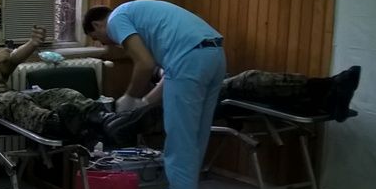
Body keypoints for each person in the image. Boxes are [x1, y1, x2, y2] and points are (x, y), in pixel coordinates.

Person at [83, 0, 225, 189]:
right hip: (213, 56)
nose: (105, 44)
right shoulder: (140, 15)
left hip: (189, 61)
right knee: (194, 144)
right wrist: (144, 102)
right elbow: (170, 74)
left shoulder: (116, 19)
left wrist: (129, 97)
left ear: (97, 24)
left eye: (98, 38)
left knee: (179, 150)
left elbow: (145, 64)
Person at [0, 22, 135, 143]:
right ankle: (60, 124)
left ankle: (107, 120)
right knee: (15, 99)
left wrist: (33, 43)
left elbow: (14, 59)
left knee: (65, 93)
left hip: (12, 100)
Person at [137, 67, 362, 122]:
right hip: (200, 100)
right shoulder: (159, 63)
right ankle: (327, 87)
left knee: (253, 84)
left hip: (217, 88)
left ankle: (324, 96)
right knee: (248, 79)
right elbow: (166, 75)